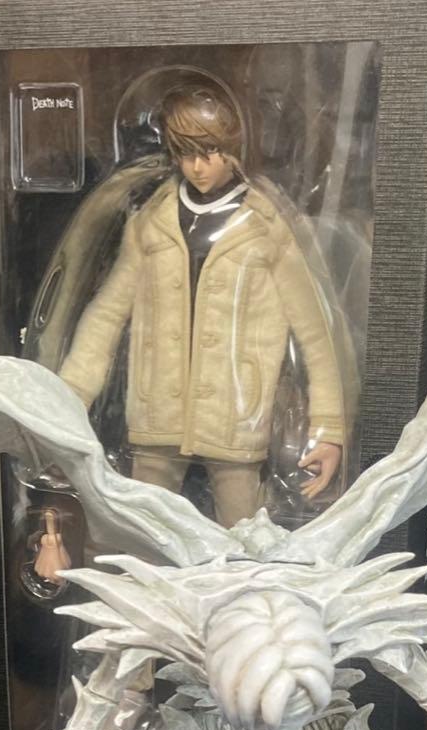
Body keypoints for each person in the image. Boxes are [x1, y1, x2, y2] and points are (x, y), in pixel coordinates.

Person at [58, 81, 348, 528]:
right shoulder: (151, 223)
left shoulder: (265, 228)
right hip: (156, 412)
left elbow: (314, 332)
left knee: (244, 539)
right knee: (144, 535)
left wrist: (328, 429)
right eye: (186, 153)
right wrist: (67, 401)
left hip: (236, 419)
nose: (197, 167)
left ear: (234, 148)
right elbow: (106, 315)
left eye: (210, 152)